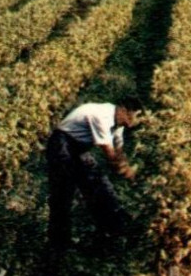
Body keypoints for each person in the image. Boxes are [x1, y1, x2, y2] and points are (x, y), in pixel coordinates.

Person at [45, 97, 142, 264]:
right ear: (126, 111)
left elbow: (118, 150)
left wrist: (126, 167)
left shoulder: (118, 124)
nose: (137, 122)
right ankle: (57, 247)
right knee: (63, 194)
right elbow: (109, 153)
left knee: (100, 185)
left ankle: (109, 233)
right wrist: (129, 173)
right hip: (62, 144)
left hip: (78, 148)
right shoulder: (102, 116)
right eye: (137, 116)